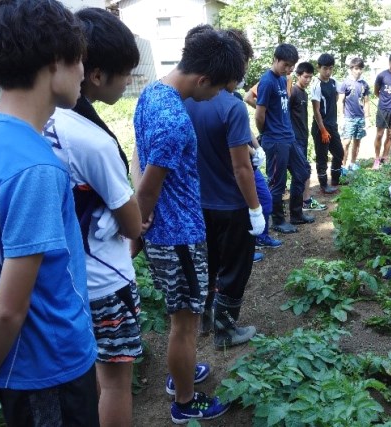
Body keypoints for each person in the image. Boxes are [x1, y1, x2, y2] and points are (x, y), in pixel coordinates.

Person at [0, 1, 99, 425]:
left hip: (21, 363)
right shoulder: (36, 168)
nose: (84, 72)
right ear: (55, 61)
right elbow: (11, 306)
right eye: (80, 59)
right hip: (46, 366)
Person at [133, 26, 245, 423]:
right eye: (219, 89)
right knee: (185, 322)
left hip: (169, 232)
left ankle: (179, 374)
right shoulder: (174, 120)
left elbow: (139, 163)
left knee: (182, 318)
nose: (219, 96)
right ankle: (184, 402)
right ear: (202, 80)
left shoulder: (151, 93)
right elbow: (147, 190)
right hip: (178, 235)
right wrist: (135, 233)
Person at [43, 8, 142, 427]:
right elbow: (132, 222)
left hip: (61, 280)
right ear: (95, 75)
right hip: (107, 280)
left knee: (89, 374)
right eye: (125, 74)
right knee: (117, 380)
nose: (128, 83)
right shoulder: (91, 138)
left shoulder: (38, 121)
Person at [184, 28, 261, 349]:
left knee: (208, 263)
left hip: (198, 203)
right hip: (231, 204)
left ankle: (203, 317)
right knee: (234, 267)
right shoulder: (231, 107)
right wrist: (256, 209)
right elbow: (241, 168)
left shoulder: (187, 100)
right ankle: (225, 330)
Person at [255, 43, 314, 233]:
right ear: (276, 59)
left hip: (289, 137)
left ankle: (296, 214)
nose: (288, 69)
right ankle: (278, 221)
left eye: (291, 66)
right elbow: (259, 114)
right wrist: (267, 133)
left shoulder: (282, 80)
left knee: (302, 172)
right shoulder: (267, 81)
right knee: (277, 182)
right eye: (286, 65)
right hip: (275, 140)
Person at [289, 62, 327, 211]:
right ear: (298, 75)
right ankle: (304, 201)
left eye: (310, 77)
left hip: (303, 137)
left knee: (303, 170)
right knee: (303, 170)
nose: (308, 80)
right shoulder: (293, 92)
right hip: (294, 139)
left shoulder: (304, 93)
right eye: (305, 77)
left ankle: (305, 201)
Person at [311, 53, 343, 194]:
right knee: (322, 156)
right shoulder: (316, 85)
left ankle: (335, 179)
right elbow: (316, 110)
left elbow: (336, 97)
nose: (328, 72)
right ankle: (324, 185)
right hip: (321, 127)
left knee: (339, 153)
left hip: (332, 125)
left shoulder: (334, 82)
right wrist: (323, 130)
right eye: (325, 68)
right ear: (319, 68)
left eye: (330, 68)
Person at [338, 57, 371, 172]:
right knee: (346, 142)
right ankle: (342, 166)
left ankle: (353, 163)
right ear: (351, 69)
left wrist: (367, 118)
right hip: (348, 117)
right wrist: (341, 117)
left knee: (357, 141)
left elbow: (366, 101)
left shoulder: (364, 84)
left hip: (360, 118)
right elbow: (340, 101)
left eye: (360, 69)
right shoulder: (345, 83)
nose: (358, 71)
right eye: (356, 68)